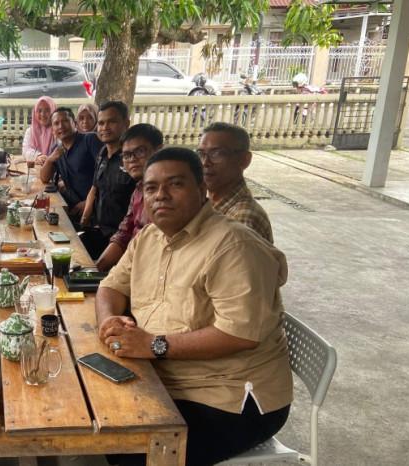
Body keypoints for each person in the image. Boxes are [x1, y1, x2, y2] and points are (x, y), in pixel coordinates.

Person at [96, 147, 292, 466]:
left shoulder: (234, 246)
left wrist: (153, 344)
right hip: (162, 375)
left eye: (175, 184)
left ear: (202, 190)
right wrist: (109, 321)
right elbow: (111, 286)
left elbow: (240, 335)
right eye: (151, 187)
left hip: (227, 396)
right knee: (97, 417)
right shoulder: (148, 237)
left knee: (130, 449)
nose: (161, 195)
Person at [95, 123, 163, 272]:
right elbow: (124, 234)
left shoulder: (165, 195)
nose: (132, 159)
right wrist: (95, 270)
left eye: (140, 151)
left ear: (159, 150)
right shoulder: (138, 190)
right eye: (126, 155)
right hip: (129, 265)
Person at [198, 122, 273, 243]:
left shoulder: (242, 217)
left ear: (244, 160)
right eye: (201, 154)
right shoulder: (212, 206)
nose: (205, 162)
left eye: (217, 153)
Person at [80, 100, 135, 259]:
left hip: (122, 241)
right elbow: (95, 187)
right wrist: (83, 221)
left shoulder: (132, 159)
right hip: (99, 231)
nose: (105, 127)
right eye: (101, 123)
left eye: (112, 122)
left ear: (126, 123)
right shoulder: (103, 153)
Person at [38, 107, 103, 221]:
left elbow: (106, 175)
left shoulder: (89, 140)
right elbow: (44, 178)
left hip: (96, 208)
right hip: (72, 206)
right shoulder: (57, 149)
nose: (61, 126)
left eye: (65, 121)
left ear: (75, 123)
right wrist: (50, 159)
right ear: (52, 129)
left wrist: (89, 202)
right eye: (56, 123)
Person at [22, 96, 57, 166]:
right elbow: (26, 150)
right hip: (36, 168)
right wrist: (37, 156)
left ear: (53, 111)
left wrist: (49, 160)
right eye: (39, 111)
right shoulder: (30, 131)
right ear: (35, 113)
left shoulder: (58, 130)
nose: (43, 114)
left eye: (47, 110)